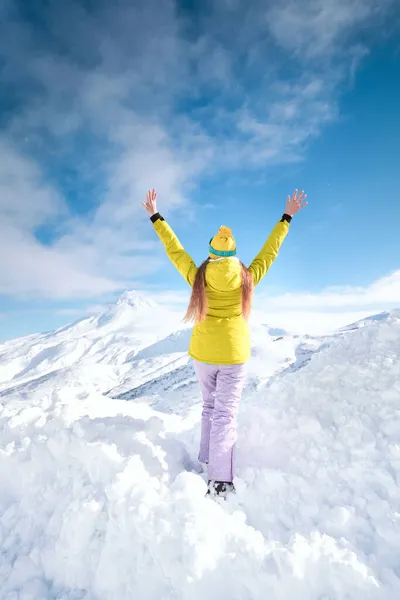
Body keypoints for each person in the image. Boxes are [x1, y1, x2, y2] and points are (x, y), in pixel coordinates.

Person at [142, 188, 308, 497]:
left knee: (209, 407)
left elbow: (174, 249)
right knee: (225, 415)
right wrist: (287, 216)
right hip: (233, 355)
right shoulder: (247, 277)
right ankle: (219, 479)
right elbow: (270, 251)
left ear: (211, 253)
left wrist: (155, 215)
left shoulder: (199, 277)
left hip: (203, 354)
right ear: (233, 254)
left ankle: (207, 460)